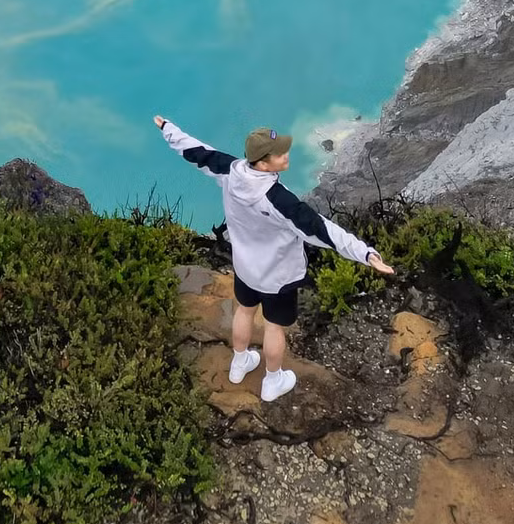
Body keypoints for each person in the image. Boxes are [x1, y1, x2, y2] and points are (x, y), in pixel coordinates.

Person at [154, 114, 394, 403]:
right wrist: (366, 253)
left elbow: (196, 152)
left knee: (243, 312)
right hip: (277, 278)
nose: (286, 155)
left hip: (244, 268)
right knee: (273, 327)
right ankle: (272, 380)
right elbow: (322, 230)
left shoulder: (231, 171)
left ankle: (239, 363)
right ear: (264, 164)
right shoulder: (278, 199)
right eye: (280, 153)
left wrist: (168, 129)